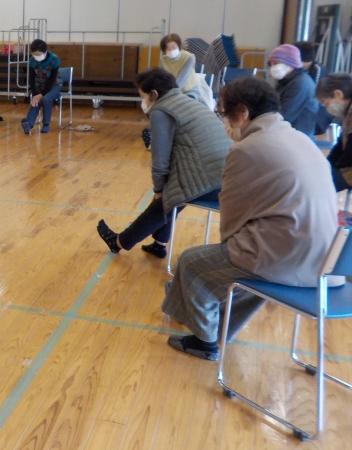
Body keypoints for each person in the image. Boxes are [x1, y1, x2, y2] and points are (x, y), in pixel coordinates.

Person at [162, 77, 338, 361]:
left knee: (192, 262)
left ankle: (204, 342)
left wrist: (229, 249)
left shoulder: (247, 148)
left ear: (242, 111)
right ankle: (220, 326)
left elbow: (231, 215)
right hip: (328, 259)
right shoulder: (299, 138)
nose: (225, 121)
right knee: (243, 269)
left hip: (290, 257)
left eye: (224, 113)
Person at [96, 68, 231, 258]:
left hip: (214, 183)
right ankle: (159, 243)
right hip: (232, 178)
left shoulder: (161, 111)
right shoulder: (190, 102)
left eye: (143, 97)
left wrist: (158, 189)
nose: (143, 102)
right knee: (177, 191)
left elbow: (160, 160)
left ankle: (119, 242)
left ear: (154, 94)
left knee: (168, 196)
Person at [316, 73, 352, 192]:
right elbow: (341, 144)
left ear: (338, 94)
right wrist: (327, 165)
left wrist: (333, 169)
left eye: (325, 103)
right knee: (322, 174)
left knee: (319, 184)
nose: (326, 108)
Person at [266, 43, 318, 137]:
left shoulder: (300, 83)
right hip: (289, 133)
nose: (273, 68)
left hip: (298, 136)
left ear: (290, 63)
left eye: (276, 64)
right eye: (271, 64)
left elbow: (284, 115)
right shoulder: (287, 80)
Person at [158, 33, 214, 109]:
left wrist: (169, 95)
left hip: (189, 91)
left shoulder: (189, 57)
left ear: (179, 46)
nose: (171, 50)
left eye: (174, 47)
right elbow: (162, 78)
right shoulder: (163, 60)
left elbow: (182, 79)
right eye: (168, 49)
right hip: (170, 92)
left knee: (181, 107)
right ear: (164, 50)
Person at [21, 39, 61, 134]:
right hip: (39, 84)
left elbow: (52, 80)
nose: (37, 57)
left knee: (45, 99)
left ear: (45, 52)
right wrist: (36, 93)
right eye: (35, 55)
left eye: (39, 55)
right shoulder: (32, 61)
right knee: (36, 99)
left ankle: (46, 125)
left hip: (54, 85)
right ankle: (29, 124)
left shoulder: (55, 59)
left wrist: (42, 94)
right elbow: (31, 79)